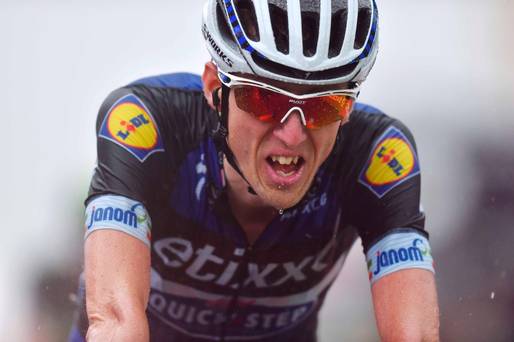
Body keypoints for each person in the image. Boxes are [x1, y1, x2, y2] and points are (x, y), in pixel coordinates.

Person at [69, 0, 439, 341]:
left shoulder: (376, 155)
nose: (293, 135)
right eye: (265, 100)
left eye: (325, 106)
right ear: (215, 90)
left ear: (349, 108)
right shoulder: (146, 124)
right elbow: (116, 320)